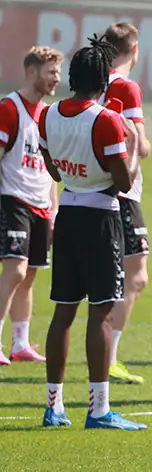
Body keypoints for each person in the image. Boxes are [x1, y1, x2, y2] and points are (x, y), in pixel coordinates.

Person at [38, 35, 145, 430]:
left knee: (62, 313)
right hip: (101, 219)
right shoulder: (105, 120)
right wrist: (131, 144)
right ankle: (99, 409)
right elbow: (121, 182)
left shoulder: (46, 115)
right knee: (100, 313)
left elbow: (52, 170)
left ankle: (54, 405)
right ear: (103, 82)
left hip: (66, 214)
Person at [0, 47, 62, 366]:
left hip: (40, 206)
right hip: (13, 199)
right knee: (15, 271)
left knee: (30, 276)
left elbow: (51, 168)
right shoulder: (9, 109)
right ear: (31, 71)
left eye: (58, 72)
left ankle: (20, 343)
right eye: (51, 71)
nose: (57, 78)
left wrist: (53, 209)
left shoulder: (49, 115)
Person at [100, 22, 152, 385]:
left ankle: (103, 352)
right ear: (135, 51)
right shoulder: (125, 87)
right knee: (135, 277)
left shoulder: (93, 81)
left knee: (109, 276)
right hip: (124, 191)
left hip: (93, 187)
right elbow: (141, 146)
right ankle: (110, 356)